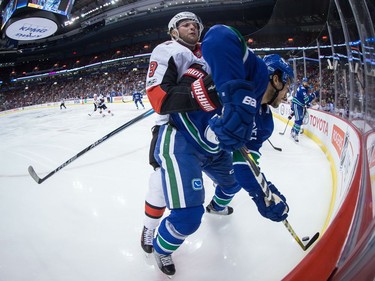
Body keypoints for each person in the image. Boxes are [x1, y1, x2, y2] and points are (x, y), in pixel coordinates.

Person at [144, 12, 239, 276]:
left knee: (233, 182)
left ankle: (217, 206)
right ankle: (161, 246)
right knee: (184, 213)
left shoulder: (210, 53)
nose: (192, 27)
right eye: (184, 24)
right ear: (173, 31)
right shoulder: (168, 50)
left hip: (211, 134)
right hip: (179, 137)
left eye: (195, 24)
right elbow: (159, 98)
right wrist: (202, 93)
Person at [289, 77, 319, 142]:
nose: (306, 83)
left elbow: (304, 97)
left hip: (299, 105)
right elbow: (307, 100)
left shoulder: (303, 87)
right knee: (299, 120)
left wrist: (311, 89)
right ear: (303, 82)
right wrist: (313, 94)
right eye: (304, 82)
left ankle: (293, 131)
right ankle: (296, 134)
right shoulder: (302, 89)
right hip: (297, 105)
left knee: (299, 120)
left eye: (306, 82)